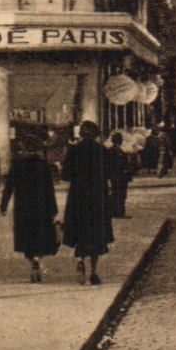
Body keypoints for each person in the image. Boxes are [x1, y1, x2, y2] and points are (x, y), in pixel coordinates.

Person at [60, 120, 114, 285]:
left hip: (78, 197)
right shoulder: (102, 151)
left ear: (81, 134)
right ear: (96, 134)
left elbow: (66, 176)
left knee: (80, 231)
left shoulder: (74, 151)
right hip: (97, 197)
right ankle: (94, 271)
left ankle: (80, 260)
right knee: (97, 235)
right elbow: (110, 173)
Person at [0, 139, 60, 282]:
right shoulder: (43, 165)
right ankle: (38, 257)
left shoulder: (17, 165)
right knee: (40, 235)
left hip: (23, 206)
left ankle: (32, 259)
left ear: (24, 148)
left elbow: (9, 187)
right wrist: (53, 209)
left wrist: (3, 205)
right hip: (41, 206)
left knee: (26, 235)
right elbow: (49, 189)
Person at [106, 132, 133, 218]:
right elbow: (121, 164)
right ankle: (119, 212)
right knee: (120, 194)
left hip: (114, 175)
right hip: (120, 176)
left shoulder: (110, 150)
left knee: (115, 193)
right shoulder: (118, 151)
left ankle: (113, 211)